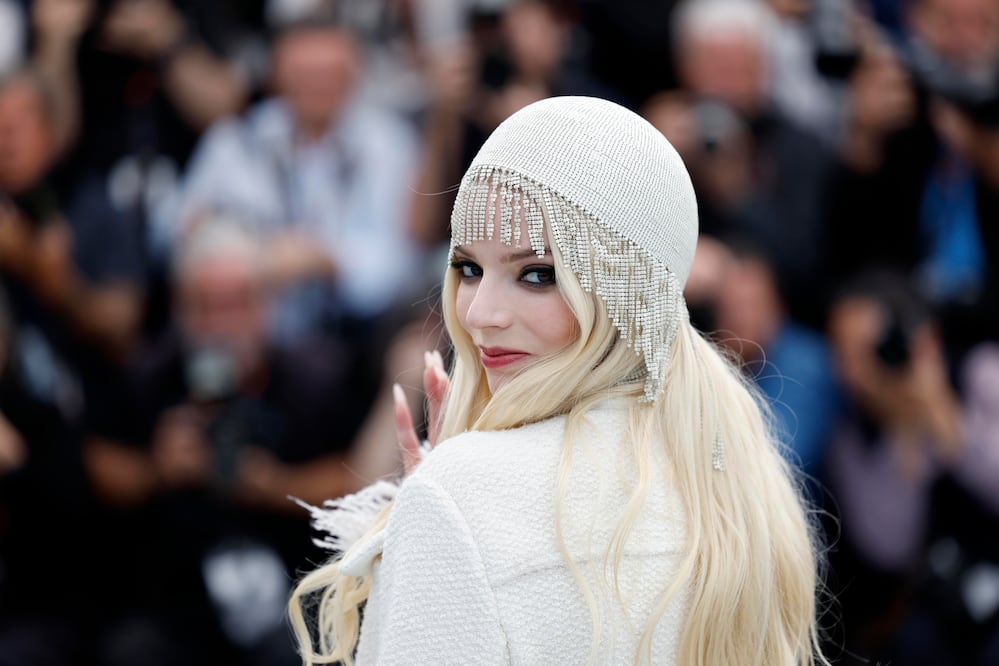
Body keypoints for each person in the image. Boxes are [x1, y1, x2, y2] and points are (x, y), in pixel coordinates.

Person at [289, 96, 826, 664]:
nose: (478, 314)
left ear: (623, 291)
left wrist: (441, 515)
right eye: (467, 268)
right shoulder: (738, 475)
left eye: (538, 274)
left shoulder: (460, 492)